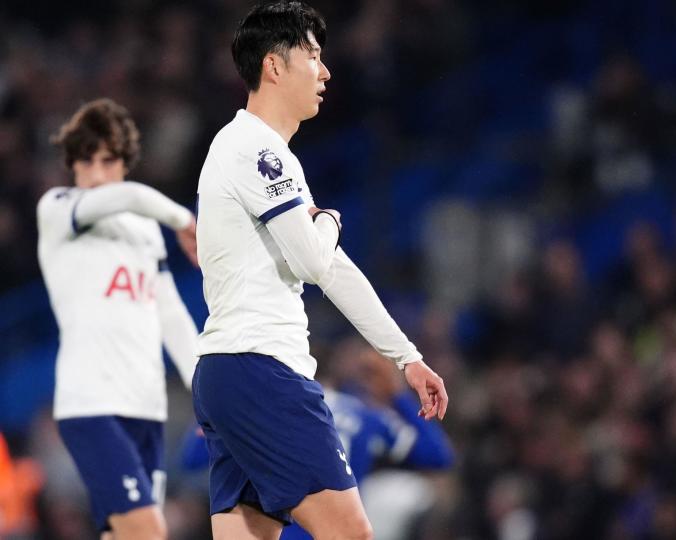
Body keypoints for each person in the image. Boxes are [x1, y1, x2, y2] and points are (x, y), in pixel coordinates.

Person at [192, 2, 449, 539]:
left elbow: (333, 270)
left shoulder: (257, 152)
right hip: (264, 369)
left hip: (229, 371)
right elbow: (315, 259)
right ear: (274, 66)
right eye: (312, 54)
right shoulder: (257, 148)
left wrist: (407, 357)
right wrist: (331, 219)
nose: (325, 70)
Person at [36, 98, 200, 539]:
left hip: (147, 408)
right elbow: (131, 196)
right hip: (92, 404)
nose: (96, 173)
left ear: (125, 161)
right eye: (85, 160)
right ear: (71, 165)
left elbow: (172, 316)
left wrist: (203, 390)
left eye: (108, 160)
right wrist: (184, 219)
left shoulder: (145, 229)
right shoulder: (58, 209)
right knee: (148, 533)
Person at [180, 344, 455, 539]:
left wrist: (224, 409)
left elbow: (191, 458)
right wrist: (398, 397)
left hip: (272, 530)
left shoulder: (263, 411)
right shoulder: (361, 415)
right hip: (334, 528)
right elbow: (438, 455)